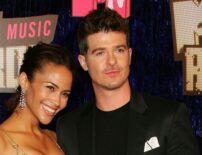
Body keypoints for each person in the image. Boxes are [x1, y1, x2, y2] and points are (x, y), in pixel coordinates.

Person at [56, 8, 200, 155]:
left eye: (119, 50)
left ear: (129, 55)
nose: (111, 61)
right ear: (83, 62)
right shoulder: (68, 128)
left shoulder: (168, 118)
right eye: (100, 53)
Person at [0, 42, 74, 155]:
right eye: (50, 88)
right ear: (24, 80)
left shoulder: (54, 138)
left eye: (65, 94)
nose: (57, 101)